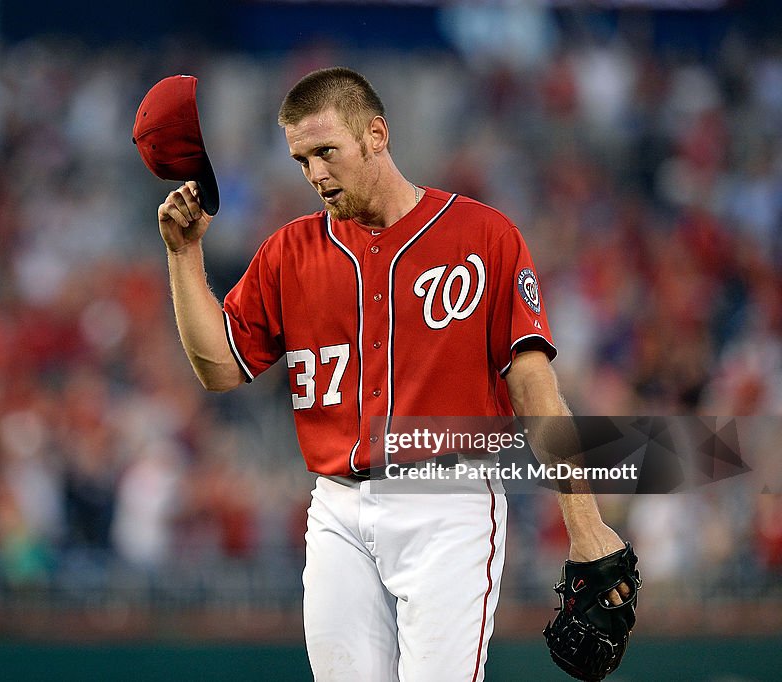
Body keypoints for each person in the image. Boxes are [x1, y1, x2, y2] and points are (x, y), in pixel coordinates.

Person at [156, 66, 630, 681]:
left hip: (449, 504)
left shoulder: (482, 236)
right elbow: (218, 367)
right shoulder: (289, 252)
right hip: (337, 509)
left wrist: (584, 523)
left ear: (376, 134)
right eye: (302, 160)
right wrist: (183, 253)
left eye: (327, 152)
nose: (315, 174)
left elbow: (535, 389)